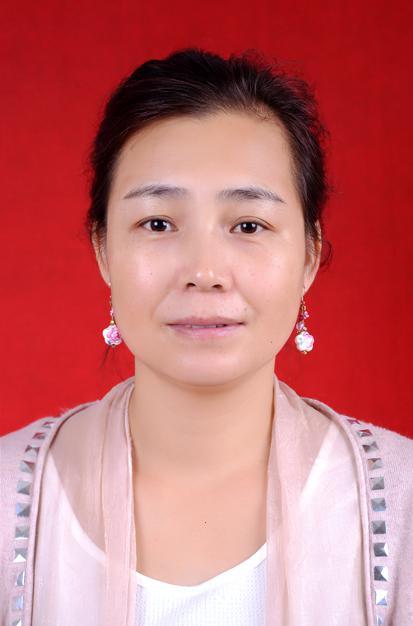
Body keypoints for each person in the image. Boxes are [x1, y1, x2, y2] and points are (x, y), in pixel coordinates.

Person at [1, 47, 412, 626]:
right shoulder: (11, 501)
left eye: (248, 225)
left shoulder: (399, 508)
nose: (204, 271)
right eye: (158, 223)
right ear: (103, 250)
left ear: (309, 256)